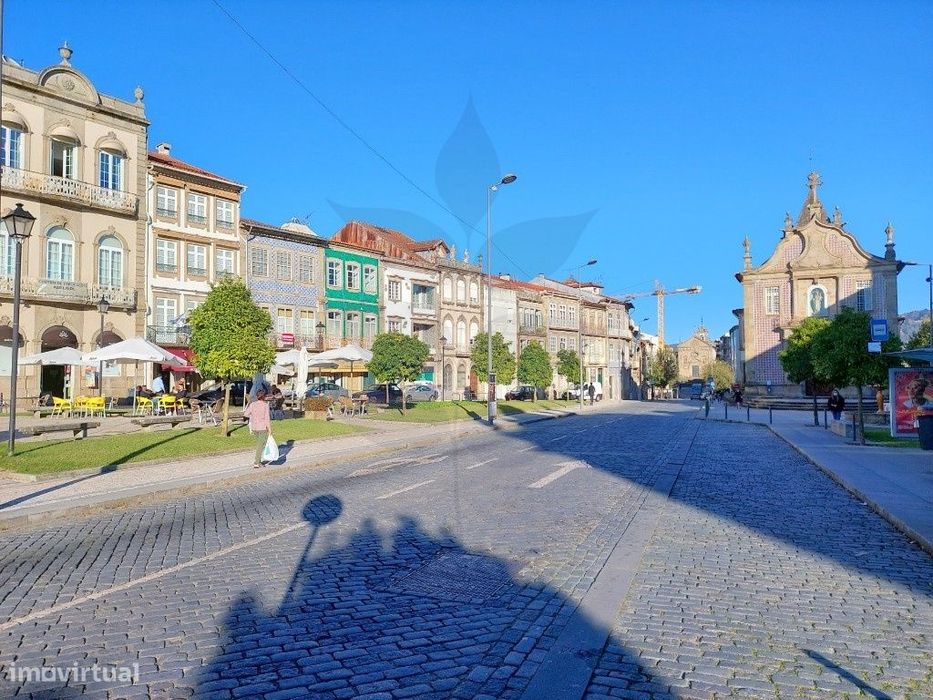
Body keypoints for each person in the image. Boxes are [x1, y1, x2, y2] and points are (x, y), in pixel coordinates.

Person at [243, 388, 272, 468]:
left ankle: (259, 461)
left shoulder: (252, 404)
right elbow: (267, 418)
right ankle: (256, 462)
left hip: (254, 428)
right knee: (261, 445)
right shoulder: (265, 405)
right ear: (264, 397)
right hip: (262, 427)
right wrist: (270, 429)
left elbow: (246, 414)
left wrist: (253, 417)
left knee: (261, 444)